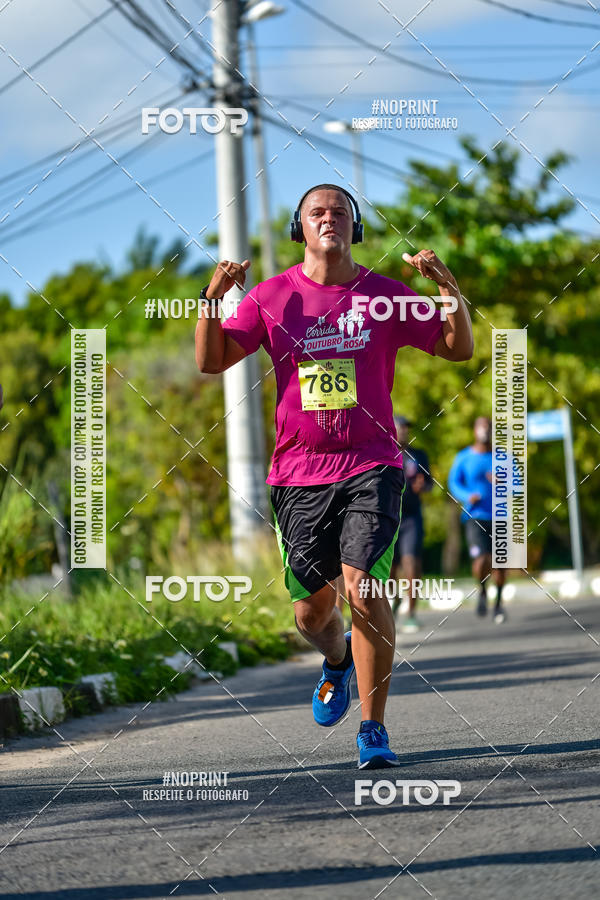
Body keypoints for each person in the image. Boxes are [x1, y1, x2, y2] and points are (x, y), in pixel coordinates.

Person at [195, 183, 473, 768]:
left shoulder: (383, 296)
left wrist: (448, 290)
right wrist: (210, 299)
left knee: (363, 585)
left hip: (372, 464)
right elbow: (210, 360)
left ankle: (373, 730)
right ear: (300, 228)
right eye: (316, 213)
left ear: (356, 227)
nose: (329, 220)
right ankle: (338, 660)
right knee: (310, 613)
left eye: (340, 212)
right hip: (297, 474)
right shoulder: (272, 297)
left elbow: (457, 348)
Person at [448, 416, 507, 623]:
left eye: (489, 427)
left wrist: (503, 482)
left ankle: (498, 603)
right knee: (481, 559)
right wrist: (467, 495)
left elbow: (517, 484)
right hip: (475, 517)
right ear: (474, 430)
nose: (485, 430)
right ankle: (482, 589)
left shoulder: (502, 457)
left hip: (500, 516)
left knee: (500, 564)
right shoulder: (464, 457)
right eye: (482, 426)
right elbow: (453, 483)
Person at [389, 415, 432, 633]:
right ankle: (394, 600)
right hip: (388, 518)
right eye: (401, 427)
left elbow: (429, 484)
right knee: (389, 569)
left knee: (411, 563)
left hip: (412, 518)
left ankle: (411, 613)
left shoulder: (419, 455)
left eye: (407, 428)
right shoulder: (383, 453)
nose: (405, 431)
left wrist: (423, 486)